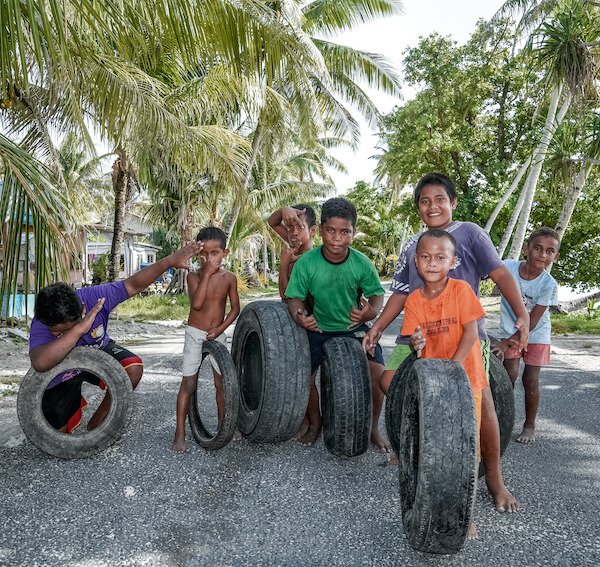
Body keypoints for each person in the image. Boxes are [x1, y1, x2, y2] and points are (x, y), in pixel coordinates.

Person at [363, 172, 529, 513]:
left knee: (481, 405)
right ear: (418, 209)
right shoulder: (412, 245)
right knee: (389, 381)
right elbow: (401, 293)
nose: (433, 206)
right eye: (425, 201)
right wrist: (378, 326)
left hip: (464, 339)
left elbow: (499, 273)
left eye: (440, 199)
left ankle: (495, 479)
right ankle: (418, 450)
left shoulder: (469, 233)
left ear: (453, 202)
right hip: (418, 340)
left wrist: (522, 313)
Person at [29, 242, 203, 433]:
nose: (54, 333)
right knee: (57, 433)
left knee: (132, 368)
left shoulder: (95, 297)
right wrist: (78, 330)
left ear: (81, 310)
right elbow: (39, 362)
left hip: (98, 354)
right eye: (54, 331)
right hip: (63, 371)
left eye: (59, 330)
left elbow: (132, 285)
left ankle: (98, 424)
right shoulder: (45, 318)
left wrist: (170, 261)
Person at [402, 229, 488, 540]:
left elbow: (471, 333)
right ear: (416, 261)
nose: (432, 262)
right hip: (432, 388)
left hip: (466, 382)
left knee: (466, 452)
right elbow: (415, 341)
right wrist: (416, 341)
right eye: (425, 257)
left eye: (440, 257)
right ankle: (431, 506)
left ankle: (466, 516)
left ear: (453, 261)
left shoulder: (462, 290)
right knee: (434, 449)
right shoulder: (413, 300)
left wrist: (454, 368)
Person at [284, 197, 389, 450]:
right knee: (305, 377)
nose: (336, 238)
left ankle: (373, 427)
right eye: (330, 231)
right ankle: (315, 423)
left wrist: (369, 314)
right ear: (320, 230)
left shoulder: (362, 262)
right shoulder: (307, 263)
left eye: (345, 232)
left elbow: (376, 296)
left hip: (354, 328)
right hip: (318, 328)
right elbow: (294, 298)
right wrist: (300, 316)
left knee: (377, 373)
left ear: (353, 233)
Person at [173, 227, 240, 453]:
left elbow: (235, 309)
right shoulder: (193, 277)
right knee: (188, 383)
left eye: (215, 253)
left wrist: (220, 329)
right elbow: (197, 305)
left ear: (225, 253)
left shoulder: (229, 278)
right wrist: (208, 274)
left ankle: (224, 427)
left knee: (222, 384)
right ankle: (180, 432)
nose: (209, 259)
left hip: (217, 334)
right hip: (195, 333)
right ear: (197, 254)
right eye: (204, 254)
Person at [493, 227, 560, 444]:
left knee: (530, 380)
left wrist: (505, 343)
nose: (542, 255)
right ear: (526, 249)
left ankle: (529, 425)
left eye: (550, 251)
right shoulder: (507, 267)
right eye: (538, 249)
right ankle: (502, 419)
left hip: (536, 333)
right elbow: (482, 273)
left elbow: (533, 320)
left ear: (555, 257)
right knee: (508, 374)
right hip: (509, 329)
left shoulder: (548, 284)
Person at [267, 204, 317, 300]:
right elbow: (272, 222)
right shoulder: (296, 244)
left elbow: (286, 297)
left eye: (300, 227)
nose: (294, 232)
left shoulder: (311, 259)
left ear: (312, 231)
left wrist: (284, 263)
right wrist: (283, 210)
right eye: (289, 227)